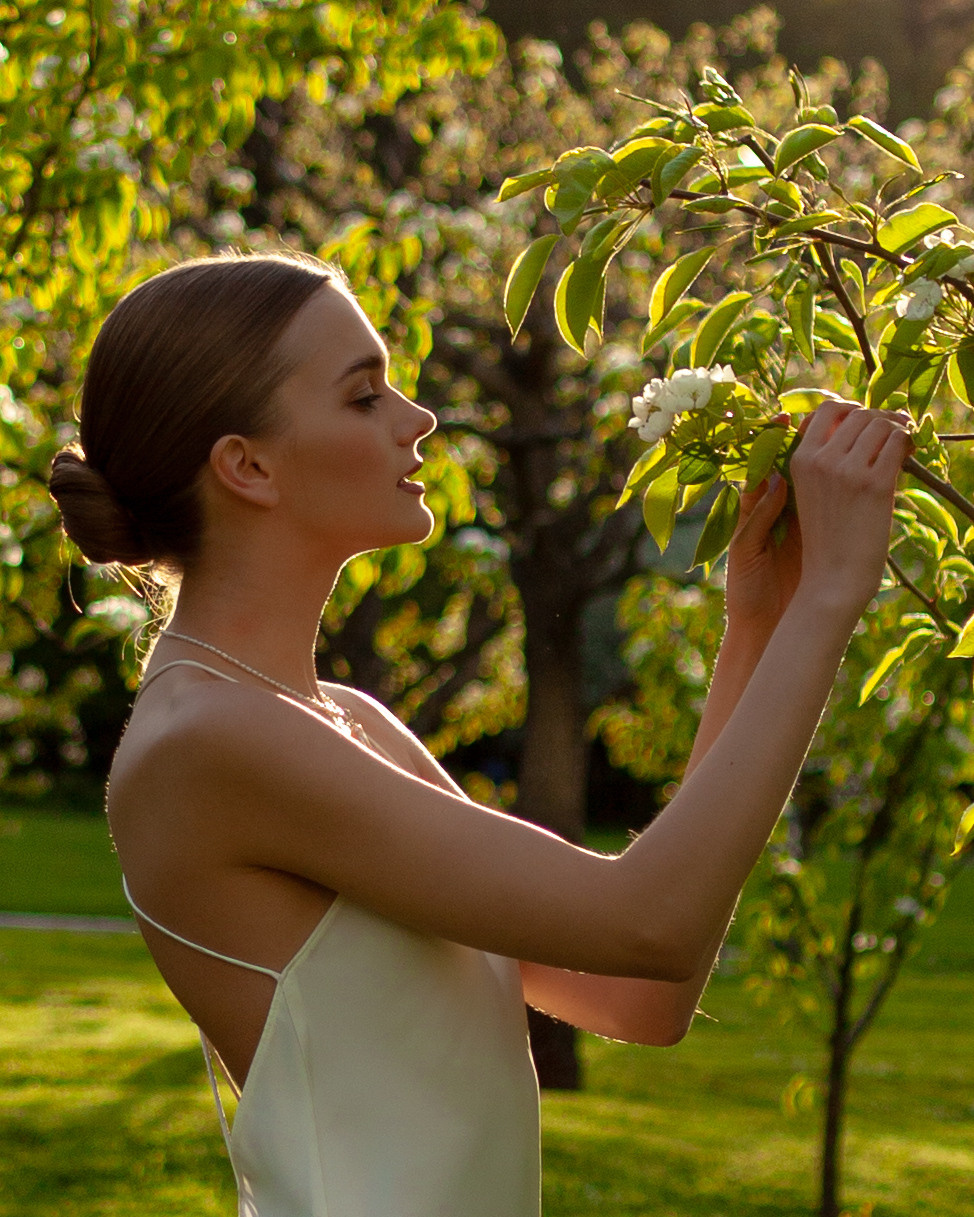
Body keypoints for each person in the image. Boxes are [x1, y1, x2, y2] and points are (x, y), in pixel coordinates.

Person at [48, 250, 912, 1217]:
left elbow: (638, 992)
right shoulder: (207, 740)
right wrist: (830, 598)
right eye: (364, 395)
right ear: (246, 465)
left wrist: (757, 625)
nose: (419, 419)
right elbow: (651, 921)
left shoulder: (345, 724)